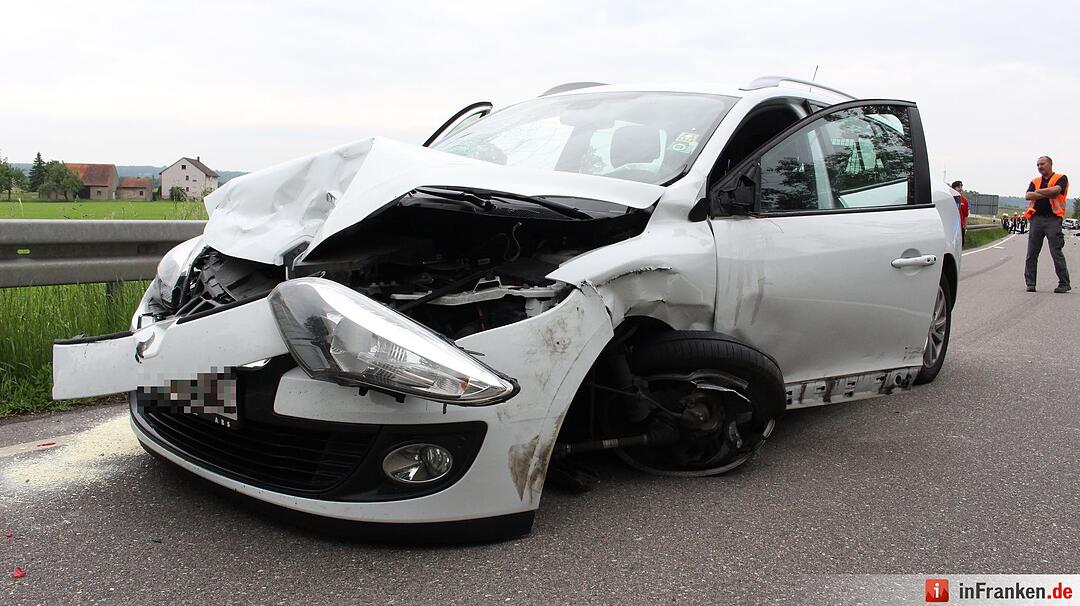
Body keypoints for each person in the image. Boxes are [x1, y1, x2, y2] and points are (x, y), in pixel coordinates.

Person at [1023, 155, 1071, 293]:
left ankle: (1064, 283)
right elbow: (1028, 196)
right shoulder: (1035, 181)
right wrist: (1047, 193)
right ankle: (1030, 283)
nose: (1040, 167)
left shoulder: (1061, 178)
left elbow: (1056, 190)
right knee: (1031, 253)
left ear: (1050, 164)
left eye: (1042, 164)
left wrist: (1037, 192)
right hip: (1036, 219)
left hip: (1053, 219)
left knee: (1056, 252)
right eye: (1038, 165)